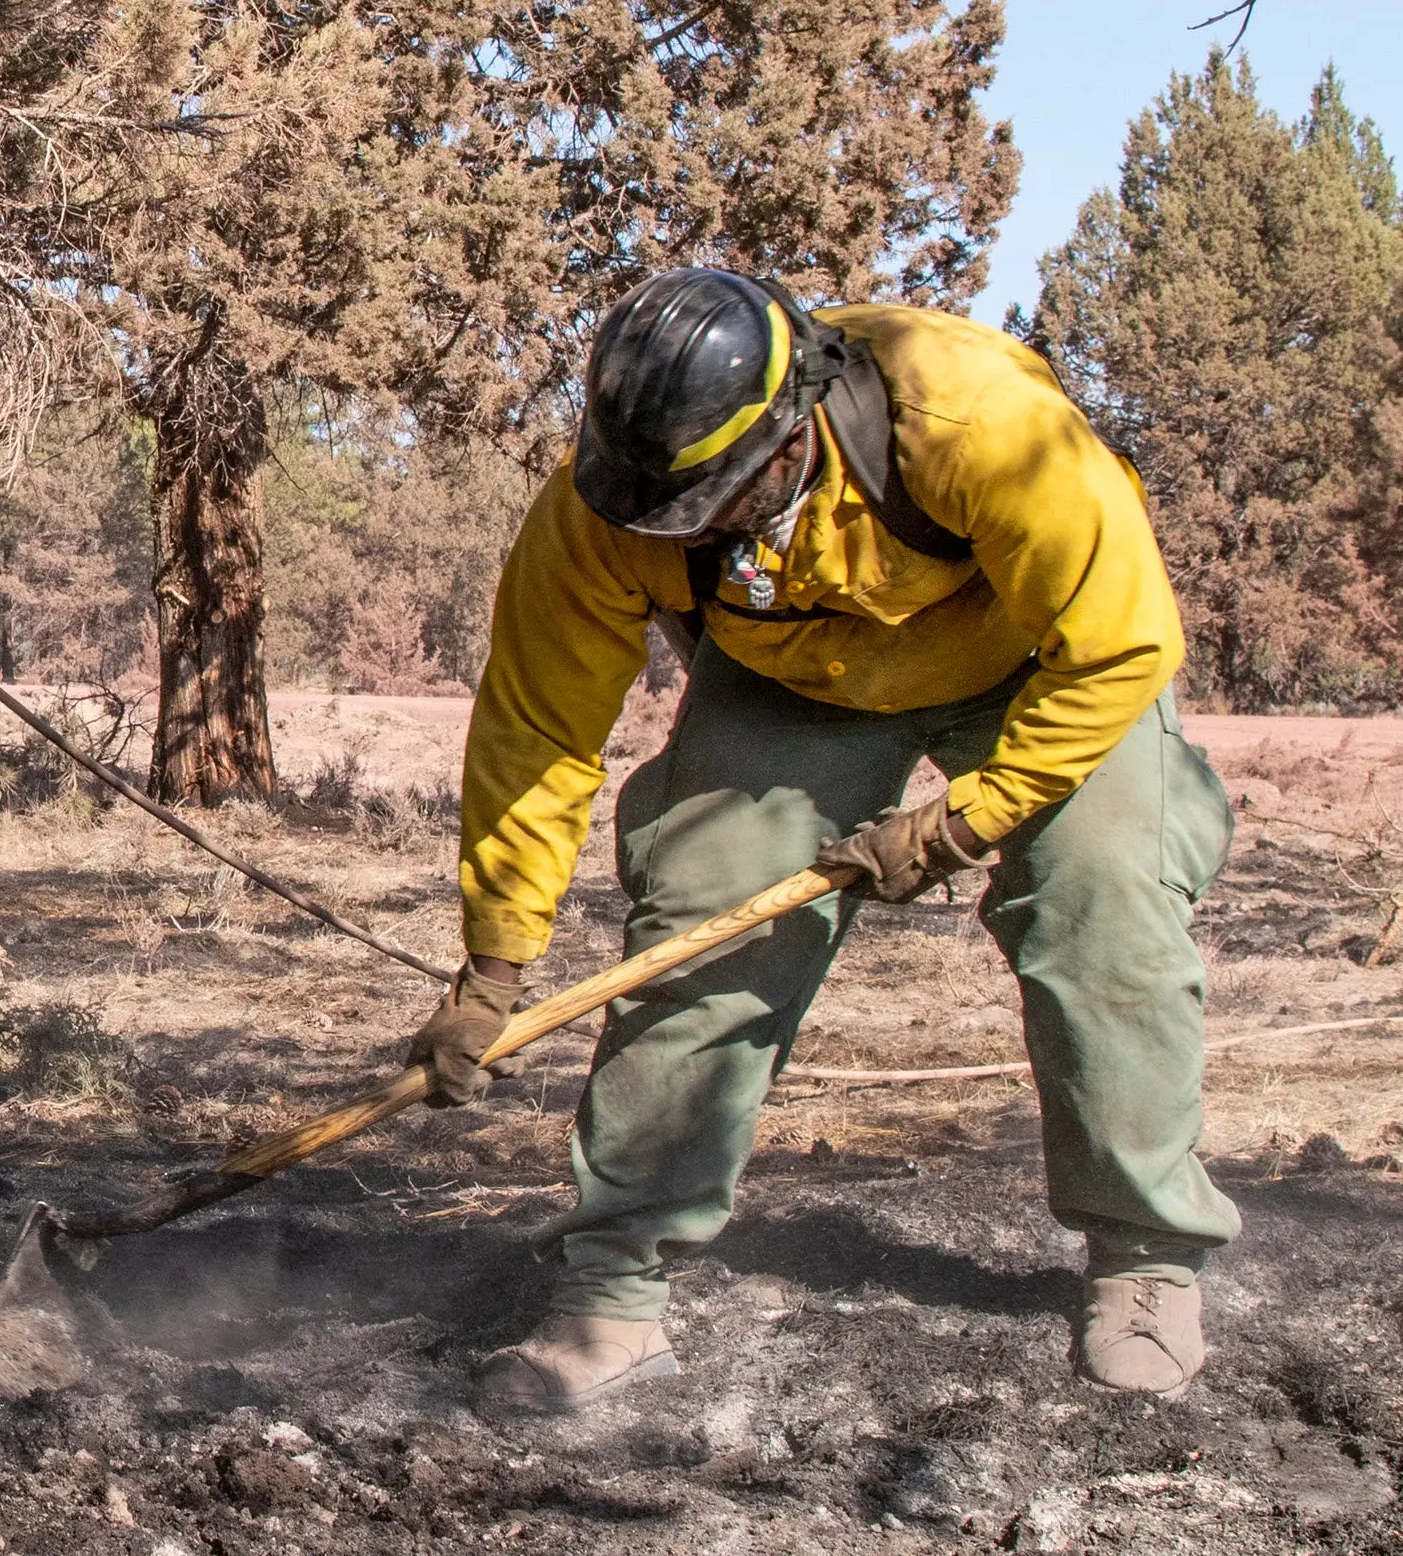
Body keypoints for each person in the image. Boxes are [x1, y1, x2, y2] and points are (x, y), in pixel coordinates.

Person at [410, 269, 1236, 1413]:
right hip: (792, 677)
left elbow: (1117, 647)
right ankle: (611, 1295)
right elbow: (538, 731)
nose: (676, 523)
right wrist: (492, 964)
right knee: (701, 919)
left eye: (707, 498)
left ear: (792, 426)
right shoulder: (601, 508)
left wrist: (962, 825)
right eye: (660, 505)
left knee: (1100, 898)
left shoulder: (976, 422)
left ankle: (1142, 1258)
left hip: (1040, 669)